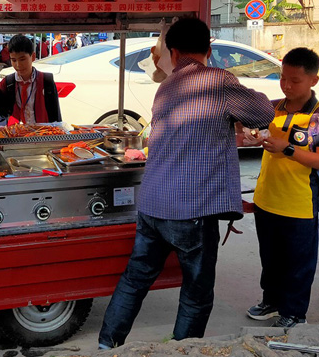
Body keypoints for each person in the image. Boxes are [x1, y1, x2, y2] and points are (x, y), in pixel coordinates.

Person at [98, 17, 275, 349]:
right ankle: (183, 350)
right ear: (209, 49)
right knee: (196, 292)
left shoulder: (167, 85)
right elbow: (263, 113)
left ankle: (107, 346)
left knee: (134, 281)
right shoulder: (218, 80)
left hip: (152, 204)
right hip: (192, 209)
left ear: (174, 53)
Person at [246, 47, 319, 328]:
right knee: (270, 258)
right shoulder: (272, 107)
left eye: (294, 80)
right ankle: (272, 302)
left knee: (298, 264)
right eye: (283, 78)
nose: (286, 85)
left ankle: (295, 313)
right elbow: (252, 130)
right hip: (266, 198)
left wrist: (287, 149)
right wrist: (250, 136)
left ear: (314, 80)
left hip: (299, 204)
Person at [0, 35, 61, 124]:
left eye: (22, 59)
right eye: (13, 60)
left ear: (33, 57)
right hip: (14, 135)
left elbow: (56, 115)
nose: (18, 65)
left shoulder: (46, 81)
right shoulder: (5, 84)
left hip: (42, 134)